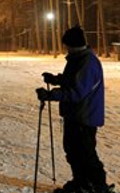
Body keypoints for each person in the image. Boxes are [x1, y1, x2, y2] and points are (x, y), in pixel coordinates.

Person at [36, 26, 110, 193]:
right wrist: (55, 79)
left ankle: (98, 186)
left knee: (85, 152)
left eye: (67, 45)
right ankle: (81, 182)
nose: (66, 49)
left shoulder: (87, 62)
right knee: (73, 150)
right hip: (75, 114)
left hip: (85, 115)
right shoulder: (78, 59)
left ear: (73, 45)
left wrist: (51, 95)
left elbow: (77, 92)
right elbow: (72, 80)